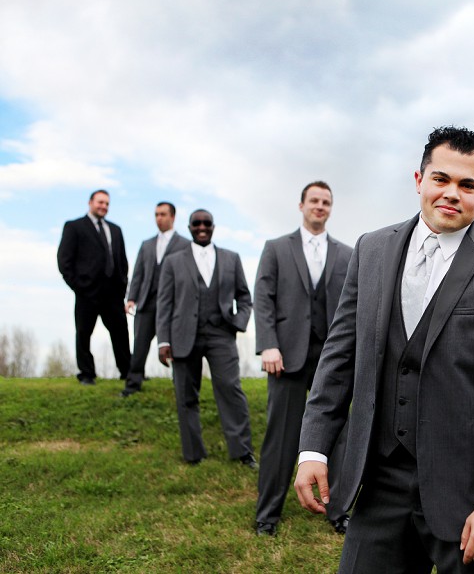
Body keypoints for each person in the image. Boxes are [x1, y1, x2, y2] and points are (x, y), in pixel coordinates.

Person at [293, 126, 474, 572]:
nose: (452, 193)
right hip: (378, 483)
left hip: (472, 495)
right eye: (441, 179)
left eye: (467, 185)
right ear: (419, 179)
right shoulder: (371, 250)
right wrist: (313, 448)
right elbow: (339, 357)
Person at [253, 181, 353, 537]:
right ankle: (268, 515)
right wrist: (268, 344)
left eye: (326, 202)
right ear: (301, 205)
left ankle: (338, 510)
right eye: (314, 200)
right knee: (280, 437)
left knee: (337, 434)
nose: (320, 206)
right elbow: (263, 297)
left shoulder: (346, 253)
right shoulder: (276, 248)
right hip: (286, 354)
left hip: (331, 356)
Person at [156, 209, 256, 467]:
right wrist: (163, 341)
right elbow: (164, 303)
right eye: (196, 223)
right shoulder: (173, 261)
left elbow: (245, 298)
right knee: (186, 396)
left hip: (221, 334)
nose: (202, 227)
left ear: (213, 226)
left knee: (231, 391)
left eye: (207, 223)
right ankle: (193, 454)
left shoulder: (231, 258)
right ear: (189, 227)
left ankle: (243, 452)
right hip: (182, 336)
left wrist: (238, 322)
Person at [57, 189, 131, 385]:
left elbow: (122, 261)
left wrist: (122, 287)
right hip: (87, 292)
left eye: (107, 203)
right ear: (90, 203)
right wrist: (79, 286)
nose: (103, 206)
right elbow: (64, 261)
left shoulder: (115, 229)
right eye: (100, 202)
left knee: (120, 332)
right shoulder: (74, 227)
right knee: (83, 333)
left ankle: (127, 371)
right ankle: (87, 374)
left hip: (113, 293)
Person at [121, 202, 190, 397]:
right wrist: (131, 298)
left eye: (163, 214)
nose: (159, 218)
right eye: (156, 214)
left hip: (173, 306)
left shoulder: (185, 245)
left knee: (176, 346)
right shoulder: (147, 244)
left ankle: (181, 387)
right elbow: (138, 274)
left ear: (173, 217)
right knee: (140, 344)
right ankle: (133, 384)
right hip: (147, 303)